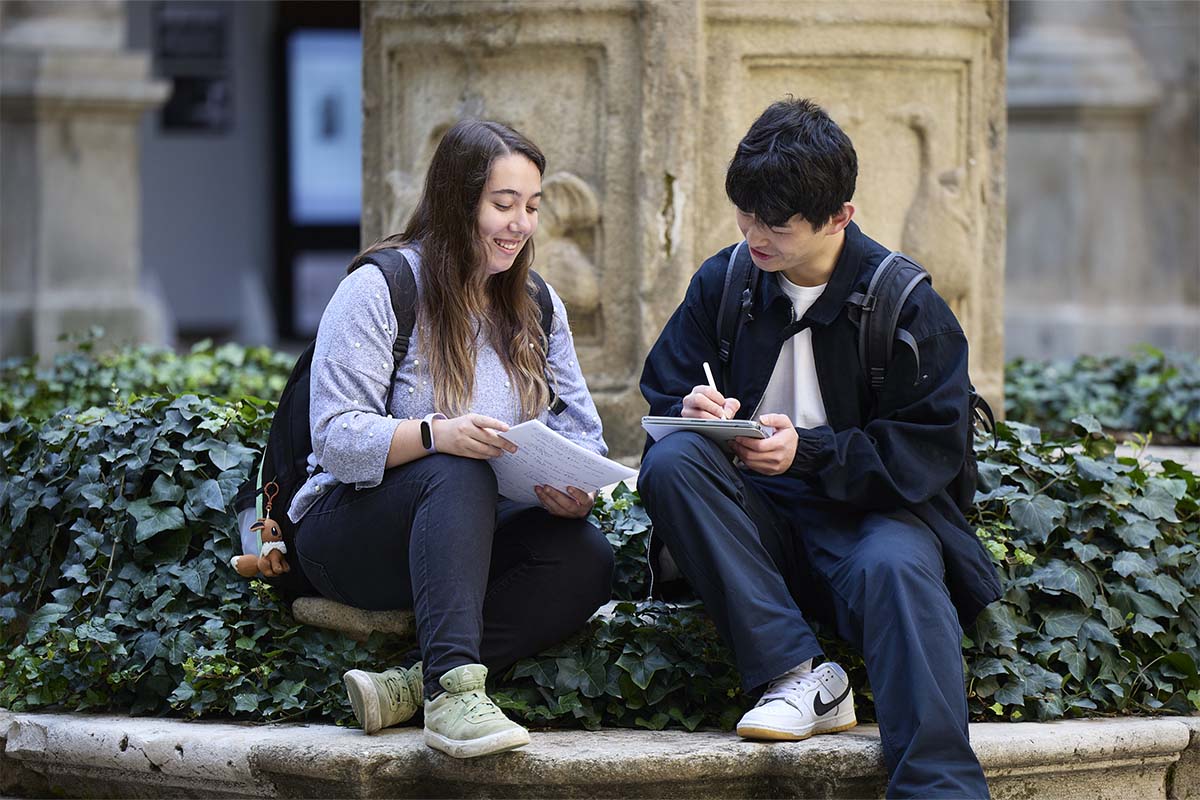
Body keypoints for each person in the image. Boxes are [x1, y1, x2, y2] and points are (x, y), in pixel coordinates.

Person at [637, 98, 1001, 798]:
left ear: (841, 216)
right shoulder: (727, 281)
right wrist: (689, 407)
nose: (753, 235)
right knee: (675, 458)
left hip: (872, 525)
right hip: (756, 524)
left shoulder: (905, 304)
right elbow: (663, 388)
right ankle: (799, 676)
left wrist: (808, 453)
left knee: (898, 567)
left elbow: (927, 454)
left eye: (775, 223)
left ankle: (939, 787)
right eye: (744, 213)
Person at [286, 119, 614, 759]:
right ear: (456, 201)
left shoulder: (538, 305)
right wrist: (437, 434)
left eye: (532, 207)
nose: (520, 224)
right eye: (502, 205)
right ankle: (452, 695)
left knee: (587, 556)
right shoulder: (381, 288)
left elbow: (583, 433)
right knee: (459, 469)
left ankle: (407, 687)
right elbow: (334, 439)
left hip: (475, 535)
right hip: (352, 532)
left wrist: (577, 487)